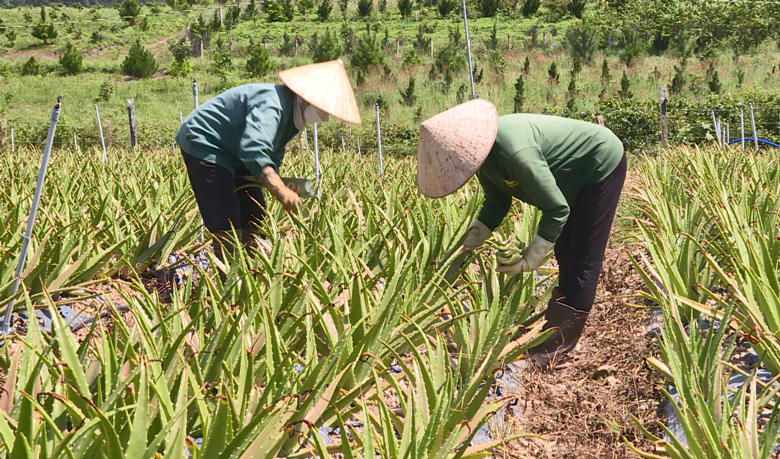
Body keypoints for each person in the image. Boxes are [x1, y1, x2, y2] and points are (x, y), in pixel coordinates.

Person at [416, 99, 626, 368]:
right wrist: (464, 249)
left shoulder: (514, 151)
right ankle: (555, 326)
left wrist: (532, 257)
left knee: (583, 256)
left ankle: (553, 350)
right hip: (570, 177)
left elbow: (557, 208)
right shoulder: (483, 158)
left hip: (599, 163)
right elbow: (497, 203)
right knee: (564, 251)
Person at [175, 60, 361, 260]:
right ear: (307, 99)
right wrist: (280, 190)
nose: (323, 117)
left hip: (236, 153)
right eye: (323, 110)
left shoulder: (291, 117)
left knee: (254, 213)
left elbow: (273, 151)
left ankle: (250, 268)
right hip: (207, 142)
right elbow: (253, 148)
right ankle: (229, 281)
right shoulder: (273, 105)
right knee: (225, 215)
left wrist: (281, 181)